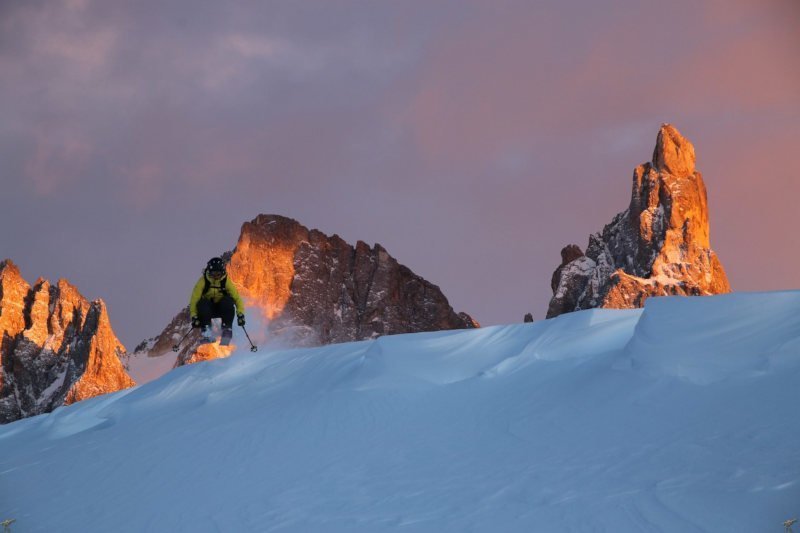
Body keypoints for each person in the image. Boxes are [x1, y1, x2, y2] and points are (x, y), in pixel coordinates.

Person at [189, 257, 246, 342]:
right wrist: (194, 316)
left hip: (223, 309)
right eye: (213, 274)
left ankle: (226, 330)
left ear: (222, 272)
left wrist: (240, 314)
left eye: (218, 274)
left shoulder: (225, 281)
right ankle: (207, 332)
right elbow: (194, 300)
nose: (216, 277)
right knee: (202, 303)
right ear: (209, 272)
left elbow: (237, 298)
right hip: (208, 310)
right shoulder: (203, 281)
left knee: (228, 301)